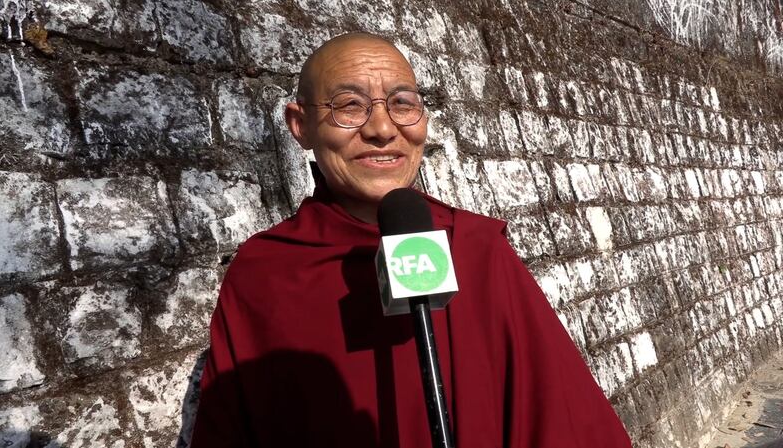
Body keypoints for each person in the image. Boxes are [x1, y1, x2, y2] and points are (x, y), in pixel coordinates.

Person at [190, 32, 633, 448]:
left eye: (402, 103)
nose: (382, 129)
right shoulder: (264, 274)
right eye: (349, 105)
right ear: (300, 124)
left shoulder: (475, 248)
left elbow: (562, 415)